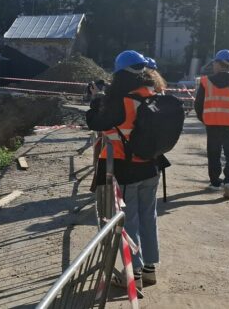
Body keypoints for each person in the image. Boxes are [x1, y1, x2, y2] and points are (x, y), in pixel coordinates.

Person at [87, 50, 161, 289]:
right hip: (151, 167)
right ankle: (149, 270)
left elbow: (96, 122)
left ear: (119, 74)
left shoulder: (120, 101)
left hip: (125, 169)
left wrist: (97, 99)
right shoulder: (153, 94)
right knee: (148, 218)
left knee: (128, 223)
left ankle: (134, 275)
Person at [194, 49, 229, 199]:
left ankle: (215, 182)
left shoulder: (205, 81)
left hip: (213, 123)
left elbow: (198, 105)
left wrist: (206, 119)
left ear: (217, 63)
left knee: (214, 152)